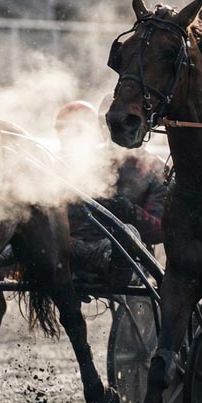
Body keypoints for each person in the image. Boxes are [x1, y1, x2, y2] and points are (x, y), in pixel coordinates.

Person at [55, 100, 169, 280]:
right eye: (110, 124)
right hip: (71, 250)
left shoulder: (156, 170)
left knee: (129, 231)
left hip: (125, 256)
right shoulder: (81, 160)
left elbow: (160, 231)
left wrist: (130, 212)